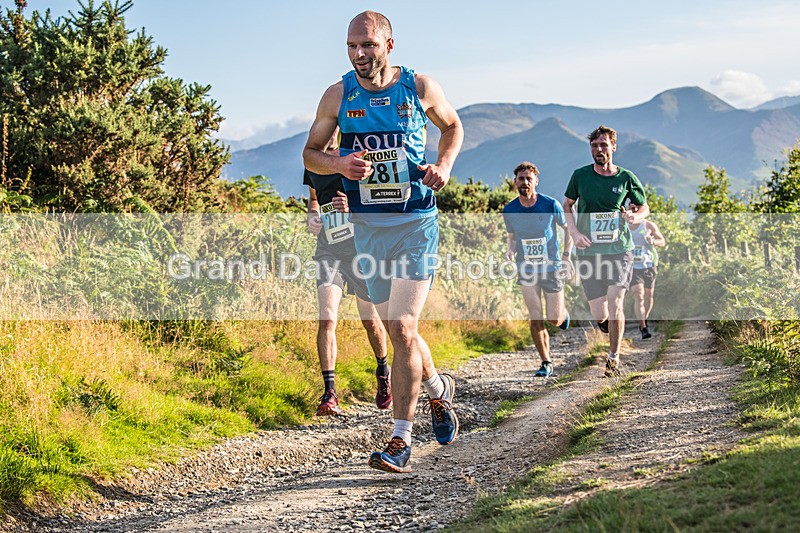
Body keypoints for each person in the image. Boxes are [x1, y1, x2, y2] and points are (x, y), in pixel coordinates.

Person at [303, 11, 464, 473]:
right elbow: (310, 153)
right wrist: (338, 164)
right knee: (399, 329)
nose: (359, 54)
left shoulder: (418, 88)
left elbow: (452, 126)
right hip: (367, 231)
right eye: (352, 46)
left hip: (415, 223)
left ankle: (400, 440)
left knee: (404, 328)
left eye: (368, 45)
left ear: (389, 45)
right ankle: (437, 391)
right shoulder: (338, 95)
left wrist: (444, 167)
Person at [305, 152, 391, 415]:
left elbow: (382, 203)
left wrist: (353, 208)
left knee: (371, 322)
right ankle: (330, 393)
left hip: (361, 252)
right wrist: (312, 216)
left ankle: (383, 369)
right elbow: (313, 201)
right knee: (327, 317)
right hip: (329, 252)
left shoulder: (358, 160)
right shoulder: (313, 163)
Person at [563, 125, 650, 377]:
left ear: (613, 146)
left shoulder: (626, 178)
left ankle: (613, 358)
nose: (598, 149)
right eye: (594, 145)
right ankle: (608, 327)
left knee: (616, 303)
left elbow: (644, 207)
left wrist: (634, 217)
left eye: (603, 145)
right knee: (599, 312)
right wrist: (575, 233)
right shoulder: (580, 176)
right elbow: (568, 205)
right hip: (589, 252)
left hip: (619, 249)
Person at [503, 162, 573, 378]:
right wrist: (510, 251)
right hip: (526, 269)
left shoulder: (550, 204)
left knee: (554, 319)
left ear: (536, 181)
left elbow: (568, 228)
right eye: (521, 179)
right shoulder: (510, 210)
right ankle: (546, 361)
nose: (525, 182)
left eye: (528, 179)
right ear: (515, 182)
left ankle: (563, 314)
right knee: (535, 317)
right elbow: (512, 237)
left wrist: (566, 256)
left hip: (551, 268)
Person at [627, 217, 665, 339]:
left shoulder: (648, 225)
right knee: (639, 295)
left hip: (649, 265)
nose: (634, 209)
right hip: (633, 267)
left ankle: (643, 318)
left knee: (648, 296)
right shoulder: (624, 225)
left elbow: (662, 241)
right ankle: (643, 326)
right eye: (631, 207)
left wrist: (652, 241)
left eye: (637, 207)